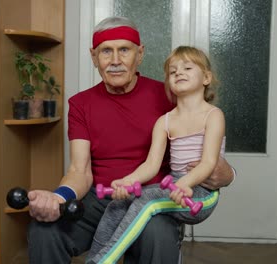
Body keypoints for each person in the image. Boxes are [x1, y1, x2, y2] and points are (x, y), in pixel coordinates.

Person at [26, 16, 234, 264]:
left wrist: (229, 173)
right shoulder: (80, 104)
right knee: (44, 230)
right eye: (106, 52)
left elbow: (205, 145)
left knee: (158, 234)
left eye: (124, 50)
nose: (115, 61)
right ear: (94, 57)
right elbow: (79, 170)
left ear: (140, 54)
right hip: (102, 196)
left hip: (153, 196)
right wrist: (58, 197)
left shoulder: (170, 94)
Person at [86, 46, 226, 264]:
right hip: (174, 187)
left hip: (201, 193)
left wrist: (186, 183)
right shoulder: (165, 121)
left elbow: (208, 162)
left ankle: (103, 261)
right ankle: (93, 258)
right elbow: (151, 165)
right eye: (173, 71)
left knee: (148, 201)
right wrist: (126, 182)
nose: (179, 72)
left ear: (206, 77)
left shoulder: (213, 115)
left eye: (187, 67)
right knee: (119, 204)